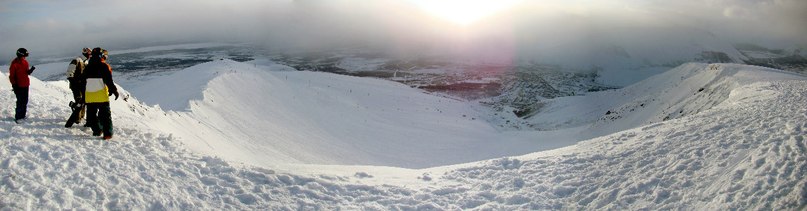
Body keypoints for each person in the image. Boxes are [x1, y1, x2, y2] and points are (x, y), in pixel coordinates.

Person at [80, 47, 118, 139]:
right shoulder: (104, 66)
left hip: (89, 96)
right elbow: (109, 81)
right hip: (101, 96)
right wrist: (114, 90)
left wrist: (84, 96)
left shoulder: (87, 67)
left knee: (92, 116)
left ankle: (97, 130)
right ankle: (107, 134)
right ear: (101, 56)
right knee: (105, 116)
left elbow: (82, 82)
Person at [65, 48, 91, 127]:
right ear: (85, 53)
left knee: (83, 100)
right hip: (76, 85)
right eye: (89, 53)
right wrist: (74, 83)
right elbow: (70, 73)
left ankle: (81, 116)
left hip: (83, 85)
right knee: (79, 100)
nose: (90, 55)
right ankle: (77, 117)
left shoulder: (85, 61)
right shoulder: (76, 60)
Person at [8, 48, 36, 124]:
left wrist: (30, 71)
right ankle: (18, 117)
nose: (25, 58)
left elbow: (26, 72)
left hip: (25, 84)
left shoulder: (25, 62)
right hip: (18, 86)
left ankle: (23, 116)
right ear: (20, 55)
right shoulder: (14, 64)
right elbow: (11, 76)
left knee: (25, 101)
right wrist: (14, 85)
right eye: (24, 56)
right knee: (20, 102)